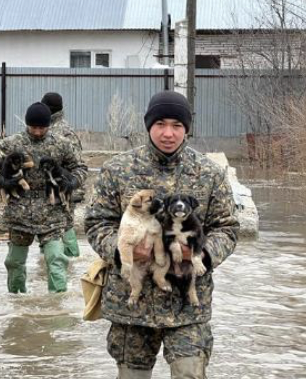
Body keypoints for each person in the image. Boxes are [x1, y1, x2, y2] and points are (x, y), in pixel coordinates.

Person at [84, 91, 239, 379]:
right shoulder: (117, 170)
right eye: (161, 124)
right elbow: (96, 223)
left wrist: (200, 253)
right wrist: (124, 252)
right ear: (148, 126)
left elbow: (227, 228)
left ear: (187, 129)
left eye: (177, 126)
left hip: (188, 305)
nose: (168, 133)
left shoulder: (210, 173)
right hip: (132, 306)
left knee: (189, 374)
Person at [0, 102, 87, 293]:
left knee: (56, 259)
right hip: (20, 212)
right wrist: (3, 181)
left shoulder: (61, 144)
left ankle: (56, 305)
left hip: (52, 212)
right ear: (27, 124)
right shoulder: (12, 143)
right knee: (14, 262)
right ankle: (16, 300)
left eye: (42, 128)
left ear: (48, 125)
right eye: (33, 127)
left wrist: (72, 183)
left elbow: (80, 167)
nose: (37, 132)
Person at [41, 92, 84, 257]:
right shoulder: (55, 127)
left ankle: (71, 259)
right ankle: (54, 261)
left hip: (64, 188)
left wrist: (70, 186)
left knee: (64, 224)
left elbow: (77, 163)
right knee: (56, 225)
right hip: (56, 187)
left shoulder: (61, 131)